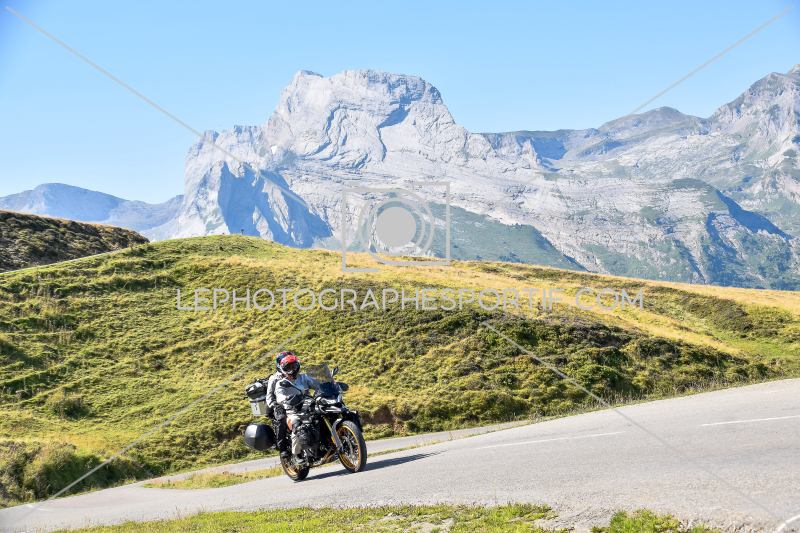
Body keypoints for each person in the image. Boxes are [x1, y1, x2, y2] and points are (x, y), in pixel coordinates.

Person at [274, 353, 322, 466]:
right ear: (283, 369)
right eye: (289, 367)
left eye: (294, 366)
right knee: (297, 426)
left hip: (309, 406)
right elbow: (279, 396)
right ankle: (297, 454)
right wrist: (286, 398)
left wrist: (329, 385)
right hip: (293, 411)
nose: (293, 369)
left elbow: (317, 384)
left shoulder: (304, 377)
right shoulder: (281, 383)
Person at [266, 351, 292, 460]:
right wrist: (275, 405)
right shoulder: (274, 378)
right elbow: (269, 396)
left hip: (295, 402)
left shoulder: (296, 374)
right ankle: (283, 448)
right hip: (280, 404)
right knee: (281, 419)